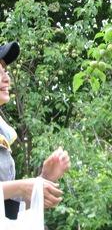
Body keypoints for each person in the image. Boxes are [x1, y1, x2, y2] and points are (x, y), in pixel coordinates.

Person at [0, 41, 71, 219]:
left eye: (5, 71)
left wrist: (43, 181)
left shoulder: (4, 133)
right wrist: (22, 187)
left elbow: (11, 214)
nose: (6, 78)